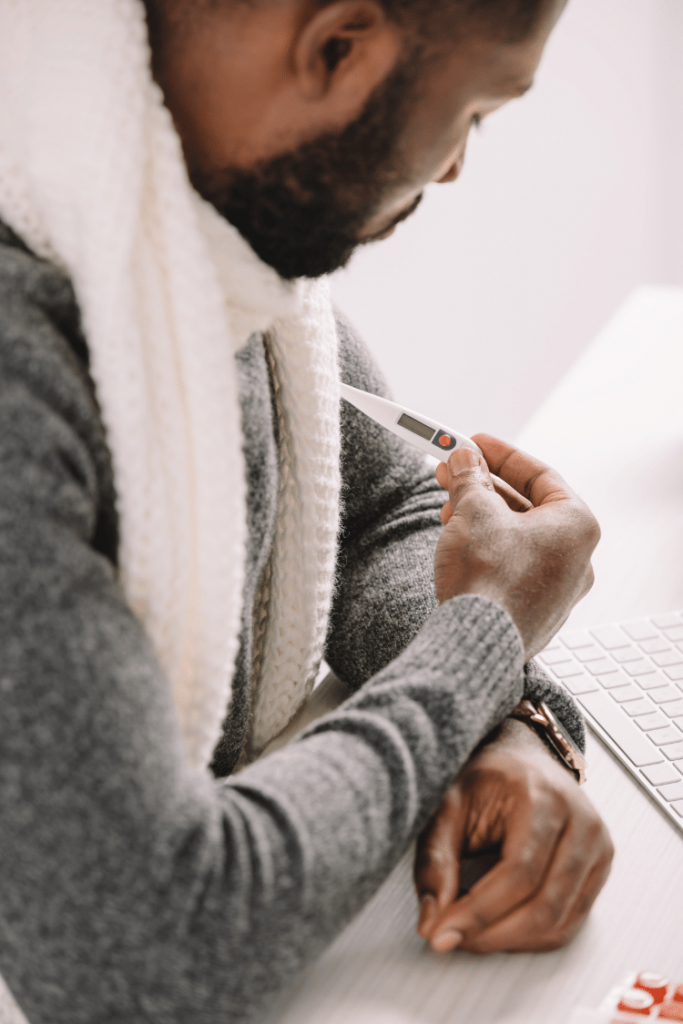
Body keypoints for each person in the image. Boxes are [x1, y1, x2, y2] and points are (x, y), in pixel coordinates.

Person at [0, 0, 613, 1022]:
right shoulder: (28, 358)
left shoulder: (209, 254)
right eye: (474, 110)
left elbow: (378, 516)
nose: (455, 165)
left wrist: (504, 726)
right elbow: (146, 942)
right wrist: (483, 642)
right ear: (336, 46)